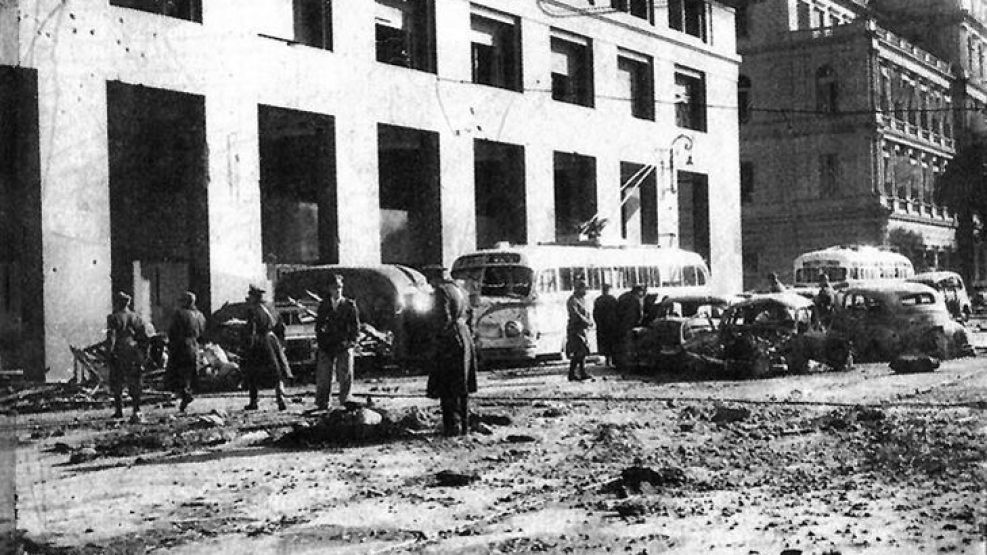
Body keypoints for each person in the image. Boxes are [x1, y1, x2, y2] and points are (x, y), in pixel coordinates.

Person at [425, 267, 478, 436]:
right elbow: (471, 315)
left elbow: (442, 319)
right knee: (461, 385)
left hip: (449, 342)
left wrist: (435, 338)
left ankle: (451, 427)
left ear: (434, 279)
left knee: (447, 386)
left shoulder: (441, 292)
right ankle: (464, 425)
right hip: (465, 338)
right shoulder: (460, 290)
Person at [314, 274, 360, 411]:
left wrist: (351, 343)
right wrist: (322, 342)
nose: (338, 290)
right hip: (327, 345)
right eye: (335, 288)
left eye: (340, 287)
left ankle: (345, 401)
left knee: (345, 374)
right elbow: (318, 326)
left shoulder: (349, 306)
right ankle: (323, 403)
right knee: (324, 375)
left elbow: (355, 327)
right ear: (330, 289)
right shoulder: (324, 306)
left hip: (343, 344)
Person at [241, 284, 290, 411]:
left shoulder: (253, 310)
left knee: (253, 372)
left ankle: (254, 401)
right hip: (273, 341)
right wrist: (281, 343)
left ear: (254, 297)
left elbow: (252, 329)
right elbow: (281, 326)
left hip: (259, 343)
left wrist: (248, 345)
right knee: (277, 372)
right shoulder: (271, 308)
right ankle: (280, 399)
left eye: (250, 296)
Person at [106, 291, 149, 423]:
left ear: (118, 303)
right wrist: (143, 353)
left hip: (120, 350)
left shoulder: (113, 318)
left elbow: (112, 336)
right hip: (134, 351)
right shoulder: (136, 317)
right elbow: (144, 337)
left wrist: (109, 352)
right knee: (135, 380)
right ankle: (136, 409)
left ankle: (119, 411)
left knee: (117, 380)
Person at [167, 291, 207, 413]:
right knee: (190, 373)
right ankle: (186, 395)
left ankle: (185, 395)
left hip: (181, 345)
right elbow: (202, 332)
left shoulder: (179, 314)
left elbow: (172, 331)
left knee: (177, 373)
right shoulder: (200, 315)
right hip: (194, 346)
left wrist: (171, 345)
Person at [614, 284, 647, 370]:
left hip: (620, 325)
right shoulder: (636, 299)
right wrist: (640, 322)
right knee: (631, 345)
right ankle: (630, 364)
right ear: (639, 291)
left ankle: (620, 363)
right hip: (631, 325)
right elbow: (640, 314)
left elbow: (616, 310)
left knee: (621, 344)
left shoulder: (622, 297)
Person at [566, 279, 593, 381]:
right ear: (578, 289)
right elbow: (575, 314)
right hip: (575, 329)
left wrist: (590, 321)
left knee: (583, 351)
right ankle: (572, 373)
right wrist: (586, 321)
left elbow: (587, 313)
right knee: (579, 351)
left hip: (583, 330)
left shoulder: (583, 300)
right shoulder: (573, 300)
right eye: (584, 289)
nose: (586, 291)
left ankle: (582, 372)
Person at [592, 283, 619, 368]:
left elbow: (595, 313)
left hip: (602, 325)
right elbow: (617, 311)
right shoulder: (613, 299)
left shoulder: (598, 300)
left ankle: (608, 361)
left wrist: (598, 322)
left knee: (605, 343)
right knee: (612, 343)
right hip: (611, 325)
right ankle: (612, 361)